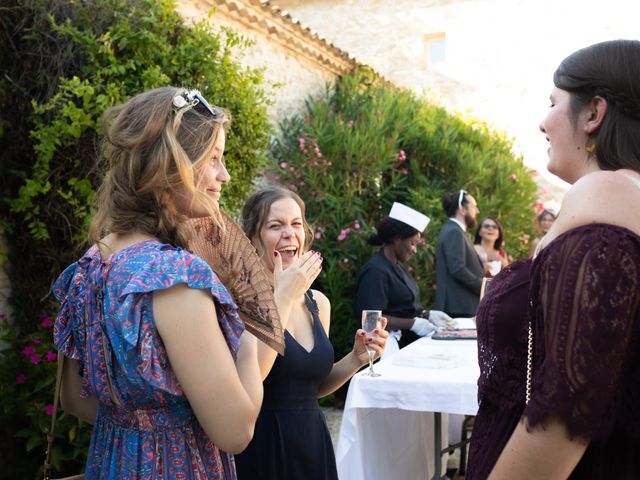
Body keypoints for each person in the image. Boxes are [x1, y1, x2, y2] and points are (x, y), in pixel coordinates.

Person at [53, 87, 264, 479]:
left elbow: (72, 399)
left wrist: (139, 430)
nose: (225, 175)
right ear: (169, 165)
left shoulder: (89, 265)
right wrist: (248, 333)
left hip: (110, 466)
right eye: (213, 159)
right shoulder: (176, 280)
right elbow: (235, 431)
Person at [467, 40, 640, 479]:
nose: (543, 122)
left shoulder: (606, 191)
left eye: (552, 103)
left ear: (593, 113)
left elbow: (567, 407)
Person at [234, 186, 389, 480]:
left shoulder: (318, 302)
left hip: (313, 443)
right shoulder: (241, 303)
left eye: (296, 224)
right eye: (275, 226)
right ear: (253, 239)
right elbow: (252, 379)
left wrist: (356, 358)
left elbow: (310, 388)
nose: (290, 233)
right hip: (264, 447)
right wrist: (283, 298)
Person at [354, 202, 452, 348]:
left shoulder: (397, 267)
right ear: (397, 239)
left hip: (406, 342)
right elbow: (371, 318)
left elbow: (403, 309)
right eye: (413, 243)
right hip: (384, 346)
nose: (415, 250)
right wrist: (412, 323)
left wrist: (426, 315)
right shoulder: (376, 271)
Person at [434, 190, 485, 317]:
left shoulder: (454, 230)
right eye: (474, 206)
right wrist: (484, 287)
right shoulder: (454, 232)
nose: (477, 211)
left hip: (459, 306)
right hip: (457, 307)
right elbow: (457, 269)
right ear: (462, 210)